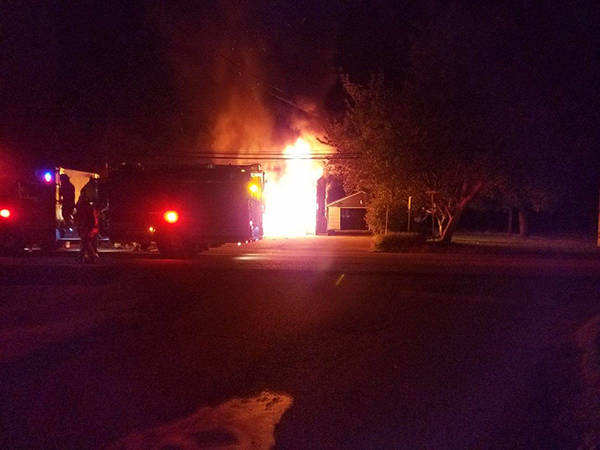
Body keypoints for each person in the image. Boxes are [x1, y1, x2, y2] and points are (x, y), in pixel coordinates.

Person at [75, 177, 100, 263]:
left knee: (86, 241)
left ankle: (89, 256)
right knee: (86, 241)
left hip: (87, 226)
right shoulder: (89, 206)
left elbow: (83, 216)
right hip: (89, 226)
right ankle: (88, 256)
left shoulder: (84, 206)